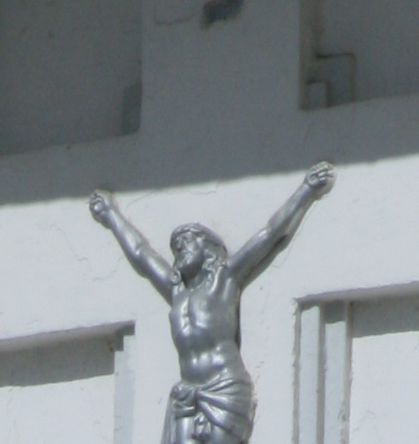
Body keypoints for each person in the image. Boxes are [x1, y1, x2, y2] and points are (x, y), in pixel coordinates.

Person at [89, 170, 333, 444]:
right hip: (187, 392)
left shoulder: (225, 278)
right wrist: (110, 215)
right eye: (175, 248)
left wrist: (306, 190)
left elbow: (270, 234)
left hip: (224, 388)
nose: (178, 251)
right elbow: (141, 254)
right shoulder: (177, 291)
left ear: (206, 248)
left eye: (185, 244)